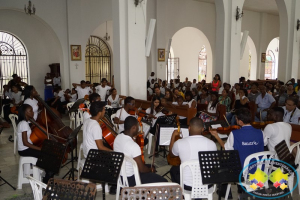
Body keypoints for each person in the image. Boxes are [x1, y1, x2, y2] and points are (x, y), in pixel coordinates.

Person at [210, 108, 264, 194]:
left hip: (242, 171)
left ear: (241, 122)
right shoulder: (260, 132)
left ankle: (226, 193)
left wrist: (216, 136)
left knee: (222, 164)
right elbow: (264, 143)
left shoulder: (235, 133)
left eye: (236, 119)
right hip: (259, 168)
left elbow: (225, 147)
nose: (235, 120)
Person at [114, 116, 167, 186]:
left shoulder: (118, 137)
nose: (138, 129)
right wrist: (150, 170)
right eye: (137, 127)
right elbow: (142, 169)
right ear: (134, 128)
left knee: (150, 166)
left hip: (119, 175)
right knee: (164, 181)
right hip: (131, 179)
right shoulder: (134, 146)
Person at [169, 117, 217, 188]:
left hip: (187, 185)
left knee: (173, 170)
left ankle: (183, 194)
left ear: (189, 128)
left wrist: (173, 137)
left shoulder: (179, 143)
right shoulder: (212, 143)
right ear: (202, 129)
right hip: (207, 184)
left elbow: (171, 155)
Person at [17, 104, 53, 183]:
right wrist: (40, 149)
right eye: (30, 111)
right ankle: (47, 180)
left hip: (25, 148)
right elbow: (25, 143)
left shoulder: (25, 122)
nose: (32, 112)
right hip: (24, 149)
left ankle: (48, 173)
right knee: (48, 155)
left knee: (47, 152)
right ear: (25, 113)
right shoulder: (24, 124)